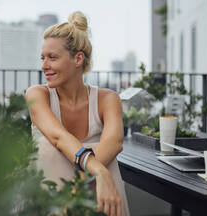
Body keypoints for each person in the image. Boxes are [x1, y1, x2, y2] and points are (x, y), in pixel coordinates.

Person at [26, 11, 130, 216]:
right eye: (43, 58)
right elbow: (58, 137)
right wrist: (98, 171)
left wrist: (77, 188)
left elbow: (114, 142)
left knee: (107, 157)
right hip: (50, 200)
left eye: (52, 58)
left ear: (78, 59)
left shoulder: (108, 99)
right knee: (50, 147)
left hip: (94, 197)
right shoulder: (37, 95)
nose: (44, 66)